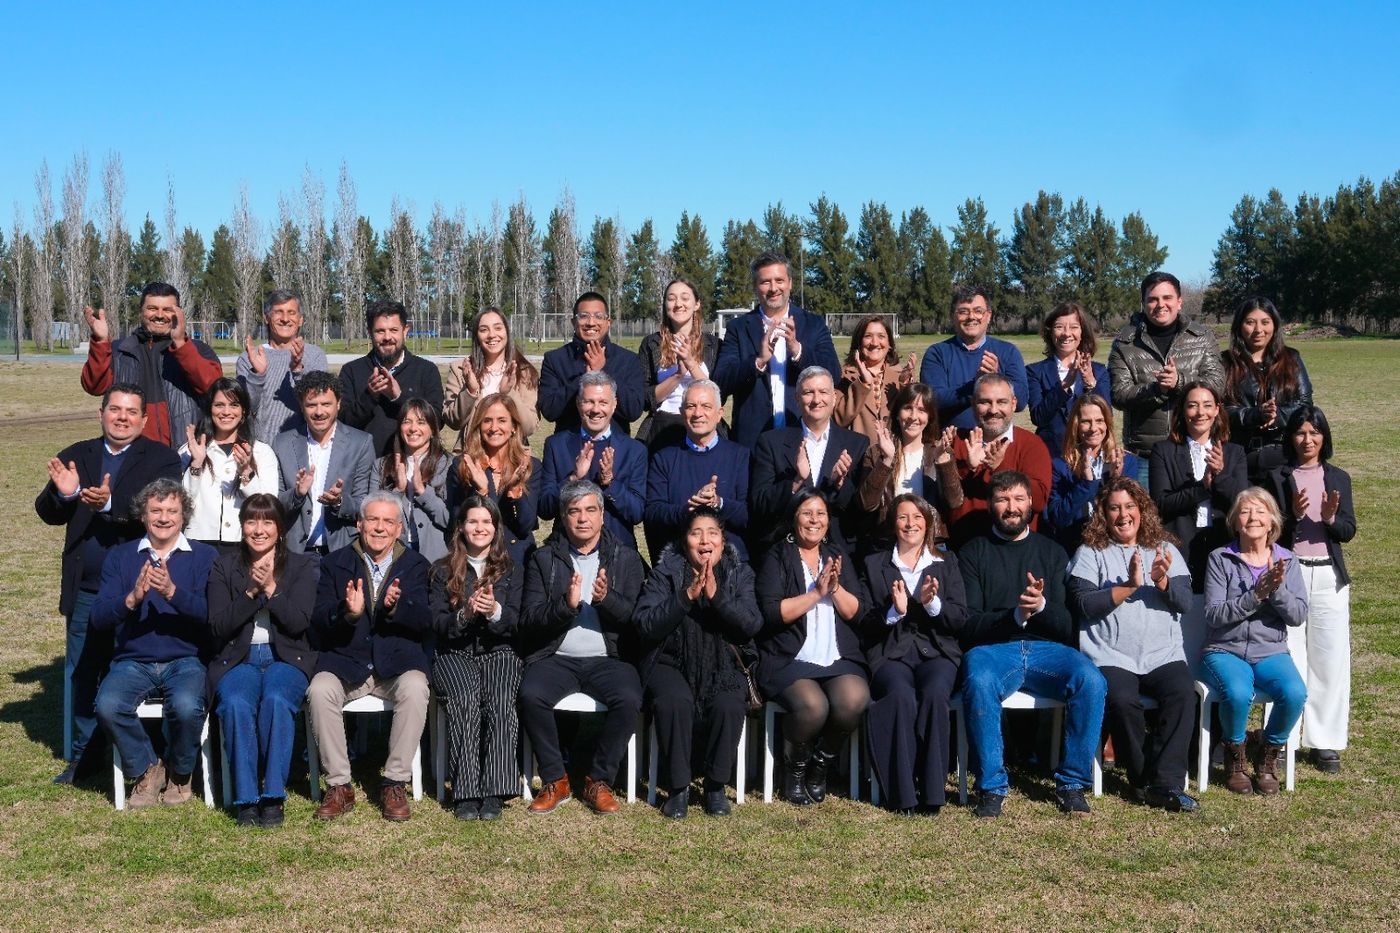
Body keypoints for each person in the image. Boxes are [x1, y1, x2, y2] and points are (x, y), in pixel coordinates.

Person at [36, 384, 182, 785]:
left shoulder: (162, 459)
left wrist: (110, 504)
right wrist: (65, 496)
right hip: (86, 585)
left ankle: (150, 755)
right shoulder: (77, 455)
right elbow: (46, 511)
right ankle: (85, 756)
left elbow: (161, 513)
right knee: (84, 670)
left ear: (144, 420)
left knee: (142, 668)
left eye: (131, 412)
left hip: (142, 585)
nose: (122, 418)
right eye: (115, 409)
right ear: (101, 413)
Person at [958, 470, 1106, 818]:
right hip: (994, 650)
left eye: (1018, 499)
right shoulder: (973, 552)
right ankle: (991, 787)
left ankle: (1072, 784)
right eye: (1003, 499)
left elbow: (1067, 627)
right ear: (991, 505)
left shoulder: (1052, 552)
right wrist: (1014, 616)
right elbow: (969, 626)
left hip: (1048, 651)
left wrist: (1039, 607)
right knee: (978, 680)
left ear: (1031, 504)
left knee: (1092, 680)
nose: (1011, 507)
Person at [1067, 479, 1198, 812]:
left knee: (1182, 694)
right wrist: (1129, 586)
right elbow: (1083, 605)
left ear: (1142, 510)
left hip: (1163, 654)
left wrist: (1162, 581)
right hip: (1110, 655)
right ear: (1103, 514)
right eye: (1114, 508)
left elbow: (1184, 602)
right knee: (1122, 701)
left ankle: (1166, 783)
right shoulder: (1090, 552)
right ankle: (1144, 780)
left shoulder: (1165, 549)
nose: (1123, 515)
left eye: (1129, 506)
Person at [517, 480, 646, 815]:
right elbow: (529, 620)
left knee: (629, 698)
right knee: (531, 694)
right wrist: (565, 605)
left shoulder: (626, 559)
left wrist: (607, 600)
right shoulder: (543, 559)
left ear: (602, 515)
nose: (583, 518)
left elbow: (636, 621)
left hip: (609, 659)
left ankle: (598, 780)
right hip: (556, 657)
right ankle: (555, 779)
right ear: (563, 517)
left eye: (590, 510)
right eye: (574, 511)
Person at [91, 478, 217, 808]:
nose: (164, 518)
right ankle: (148, 768)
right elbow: (99, 617)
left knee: (186, 707)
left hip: (187, 658)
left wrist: (173, 593)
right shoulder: (121, 556)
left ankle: (181, 772)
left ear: (183, 515)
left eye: (172, 511)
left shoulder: (204, 556)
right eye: (156, 510)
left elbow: (213, 616)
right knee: (108, 705)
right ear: (143, 515)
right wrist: (131, 599)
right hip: (133, 660)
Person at [308, 491, 433, 821]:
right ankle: (339, 786)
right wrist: (347, 613)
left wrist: (396, 608)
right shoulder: (334, 563)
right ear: (359, 524)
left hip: (396, 664)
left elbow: (425, 620)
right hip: (347, 661)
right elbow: (319, 620)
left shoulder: (416, 565)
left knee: (416, 687)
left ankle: (394, 782)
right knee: (320, 690)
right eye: (373, 520)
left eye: (388, 522)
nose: (380, 528)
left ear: (399, 528)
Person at [633, 508, 763, 818]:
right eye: (696, 533)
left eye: (712, 533)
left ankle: (715, 785)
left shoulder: (740, 573)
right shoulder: (665, 573)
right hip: (670, 660)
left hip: (725, 660)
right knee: (674, 701)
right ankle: (678, 787)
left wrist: (718, 597)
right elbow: (645, 624)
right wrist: (685, 597)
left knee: (729, 704)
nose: (705, 541)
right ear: (685, 541)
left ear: (723, 541)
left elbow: (751, 624)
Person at [206, 495, 318, 827]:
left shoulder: (300, 566)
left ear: (280, 529)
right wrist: (251, 594)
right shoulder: (224, 566)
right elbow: (218, 626)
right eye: (251, 521)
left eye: (268, 522)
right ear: (242, 527)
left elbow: (299, 623)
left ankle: (273, 795)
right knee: (236, 703)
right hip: (238, 659)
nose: (259, 529)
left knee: (276, 699)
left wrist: (271, 588)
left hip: (286, 657)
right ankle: (247, 799)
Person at [754, 491, 870, 806]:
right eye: (807, 513)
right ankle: (793, 770)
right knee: (813, 706)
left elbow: (857, 612)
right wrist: (816, 594)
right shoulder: (777, 555)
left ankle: (821, 765)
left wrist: (835, 588)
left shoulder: (837, 554)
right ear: (794, 517)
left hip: (836, 654)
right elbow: (772, 613)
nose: (814, 520)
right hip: (789, 657)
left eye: (820, 513)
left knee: (853, 699)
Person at [861, 494, 967, 814]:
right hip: (891, 653)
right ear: (893, 524)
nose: (911, 524)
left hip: (937, 653)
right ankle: (902, 793)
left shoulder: (946, 562)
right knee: (900, 696)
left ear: (928, 523)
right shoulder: (874, 564)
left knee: (935, 694)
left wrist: (933, 605)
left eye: (918, 517)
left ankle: (933, 793)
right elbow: (864, 621)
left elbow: (960, 618)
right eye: (903, 517)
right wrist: (894, 612)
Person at [1202, 488, 1308, 795]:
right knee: (1237, 693)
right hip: (1225, 649)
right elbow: (1213, 615)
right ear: (1235, 521)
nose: (1253, 518)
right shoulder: (1220, 558)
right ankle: (1235, 758)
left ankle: (1268, 754)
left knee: (1295, 692)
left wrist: (1276, 590)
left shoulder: (1288, 560)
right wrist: (1256, 595)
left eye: (1261, 511)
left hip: (1270, 651)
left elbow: (1298, 615)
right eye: (1245, 511)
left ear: (1272, 521)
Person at [1268, 406, 1355, 773]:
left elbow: (1348, 530)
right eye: (1301, 432)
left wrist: (1330, 518)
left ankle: (1325, 742)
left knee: (1330, 658)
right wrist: (1294, 516)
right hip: (1291, 573)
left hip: (1328, 577)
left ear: (1324, 436)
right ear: (1291, 437)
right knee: (1288, 656)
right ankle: (1282, 738)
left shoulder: (1338, 477)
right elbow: (1270, 532)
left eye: (1314, 432)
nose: (1308, 440)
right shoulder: (1277, 477)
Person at [429, 496, 524, 821]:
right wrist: (464, 615)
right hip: (454, 652)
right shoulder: (441, 570)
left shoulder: (512, 570)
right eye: (473, 521)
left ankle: (494, 790)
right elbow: (437, 623)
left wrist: (495, 611)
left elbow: (519, 622)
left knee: (500, 699)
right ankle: (467, 792)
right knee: (465, 700)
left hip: (499, 651)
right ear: (461, 527)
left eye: (486, 522)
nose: (480, 528)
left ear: (496, 528)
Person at [713, 252, 840, 447]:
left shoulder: (814, 324)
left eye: (779, 280)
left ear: (790, 283)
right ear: (755, 286)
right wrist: (758, 361)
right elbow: (720, 382)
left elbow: (834, 375)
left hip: (804, 439)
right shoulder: (738, 328)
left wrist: (798, 351)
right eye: (765, 282)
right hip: (753, 443)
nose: (773, 288)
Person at [1109, 271, 1225, 479]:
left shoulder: (1202, 337)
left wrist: (1179, 382)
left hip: (1196, 449)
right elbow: (1118, 394)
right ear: (1143, 304)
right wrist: (1157, 390)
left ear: (1179, 302)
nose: (1160, 304)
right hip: (1145, 455)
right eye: (1153, 299)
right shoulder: (1125, 342)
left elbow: (1217, 384)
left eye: (1167, 298)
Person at [80, 283, 223, 447]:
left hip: (185, 452)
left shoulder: (197, 350)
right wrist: (100, 342)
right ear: (141, 311)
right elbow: (93, 386)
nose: (160, 315)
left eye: (167, 309)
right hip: (130, 452)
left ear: (178, 313)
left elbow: (214, 389)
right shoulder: (119, 350)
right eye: (152, 308)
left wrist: (181, 344)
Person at [749, 366, 869, 557]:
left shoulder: (856, 444)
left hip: (838, 551)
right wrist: (796, 481)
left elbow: (860, 510)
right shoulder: (771, 442)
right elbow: (760, 503)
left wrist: (839, 483)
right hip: (785, 550)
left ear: (834, 398)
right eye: (808, 392)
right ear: (797, 398)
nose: (816, 399)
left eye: (823, 392)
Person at [1148, 382, 1248, 587]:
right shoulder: (1163, 451)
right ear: (1183, 410)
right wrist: (1202, 488)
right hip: (1179, 547)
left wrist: (1220, 477)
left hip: (1223, 545)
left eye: (1207, 405)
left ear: (1217, 410)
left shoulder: (1234, 452)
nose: (1201, 412)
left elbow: (1242, 503)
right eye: (1192, 405)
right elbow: (1161, 503)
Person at [643, 380, 750, 560]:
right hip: (679, 560)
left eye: (706, 406)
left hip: (730, 562)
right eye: (691, 406)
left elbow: (748, 516)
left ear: (719, 413)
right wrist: (687, 510)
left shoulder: (740, 456)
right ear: (681, 412)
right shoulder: (663, 458)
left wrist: (718, 503)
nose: (698, 413)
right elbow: (652, 513)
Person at [539, 372, 646, 550]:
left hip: (617, 552)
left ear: (614, 405)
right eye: (589, 402)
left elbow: (636, 513)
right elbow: (545, 509)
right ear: (578, 403)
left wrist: (610, 483)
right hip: (567, 551)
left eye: (603, 402)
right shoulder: (556, 445)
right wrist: (572, 479)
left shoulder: (634, 450)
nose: (596, 410)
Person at [272, 371, 376, 555]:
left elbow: (366, 504)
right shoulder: (282, 443)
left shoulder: (361, 443)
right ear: (301, 407)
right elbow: (274, 503)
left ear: (338, 404)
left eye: (326, 404)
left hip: (342, 551)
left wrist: (339, 502)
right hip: (295, 553)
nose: (319, 412)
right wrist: (297, 494)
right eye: (311, 405)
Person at [947, 373, 1052, 549]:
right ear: (973, 404)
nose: (993, 410)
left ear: (1014, 403)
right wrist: (967, 467)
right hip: (964, 547)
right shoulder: (957, 441)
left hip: (1015, 549)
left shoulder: (1031, 444)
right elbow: (946, 500)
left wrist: (1000, 469)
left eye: (1001, 402)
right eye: (985, 402)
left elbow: (1039, 501)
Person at [857, 383, 962, 557]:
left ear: (929, 416)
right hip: (887, 544)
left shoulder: (940, 452)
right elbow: (866, 504)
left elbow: (954, 502)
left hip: (931, 544)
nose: (914, 417)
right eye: (908, 408)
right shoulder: (876, 453)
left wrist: (942, 462)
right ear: (897, 414)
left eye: (921, 410)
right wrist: (887, 461)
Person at [179, 378, 279, 553]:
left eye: (234, 405)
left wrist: (247, 473)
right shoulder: (190, 449)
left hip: (243, 544)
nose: (226, 412)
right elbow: (181, 503)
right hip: (199, 543)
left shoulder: (262, 452)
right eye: (219, 405)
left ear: (243, 411)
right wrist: (196, 464)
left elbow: (268, 506)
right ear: (210, 409)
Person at [338, 299, 445, 457]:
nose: (387, 337)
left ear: (405, 331)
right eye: (380, 331)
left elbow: (437, 421)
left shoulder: (426, 370)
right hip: (364, 464)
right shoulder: (351, 371)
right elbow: (342, 424)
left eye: (394, 330)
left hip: (413, 463)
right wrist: (369, 396)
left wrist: (399, 397)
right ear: (370, 332)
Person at [1222, 297, 1314, 483]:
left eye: (1265, 322)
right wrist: (1254, 415)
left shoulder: (1291, 358)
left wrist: (1276, 416)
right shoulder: (1225, 362)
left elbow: (1305, 404)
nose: (1258, 330)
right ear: (1239, 326)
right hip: (1240, 456)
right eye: (1250, 322)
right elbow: (1219, 409)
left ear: (1275, 325)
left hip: (1284, 453)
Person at [919, 284, 1028, 431]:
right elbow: (933, 400)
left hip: (996, 442)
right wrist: (976, 385)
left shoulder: (1008, 352)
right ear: (952, 316)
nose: (971, 317)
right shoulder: (937, 353)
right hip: (951, 441)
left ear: (988, 316)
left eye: (978, 311)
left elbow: (1021, 401)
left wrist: (996, 379)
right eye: (963, 311)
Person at [446, 393, 540, 565]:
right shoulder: (463, 465)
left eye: (502, 420)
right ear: (479, 426)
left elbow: (526, 525)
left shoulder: (530, 466)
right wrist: (481, 491)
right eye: (487, 420)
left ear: (513, 426)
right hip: (476, 558)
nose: (494, 427)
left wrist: (514, 490)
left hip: (517, 560)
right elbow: (457, 521)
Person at [537, 291, 646, 436]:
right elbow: (549, 411)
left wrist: (604, 370)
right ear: (573, 322)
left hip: (615, 445)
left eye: (598, 316)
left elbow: (633, 411)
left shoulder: (628, 360)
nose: (591, 323)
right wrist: (583, 379)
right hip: (569, 445)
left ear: (608, 322)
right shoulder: (555, 359)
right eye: (584, 316)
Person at [1043, 394, 1140, 553]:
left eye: (1099, 421)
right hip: (1075, 548)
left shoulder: (1125, 462)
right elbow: (1058, 518)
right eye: (1086, 422)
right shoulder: (1060, 466)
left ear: (1107, 424)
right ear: (1076, 425)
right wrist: (1085, 484)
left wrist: (1116, 480)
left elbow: (1131, 515)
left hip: (1115, 548)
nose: (1094, 428)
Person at [236, 288, 330, 446]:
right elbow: (245, 409)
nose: (285, 319)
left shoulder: (315, 355)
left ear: (300, 320)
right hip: (260, 449)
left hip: (302, 447)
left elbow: (318, 405)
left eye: (291, 313)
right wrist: (258, 374)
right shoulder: (249, 358)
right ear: (267, 318)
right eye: (278, 312)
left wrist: (298, 369)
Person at [635, 278, 721, 452]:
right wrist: (678, 375)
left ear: (696, 304)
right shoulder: (651, 344)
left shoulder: (714, 345)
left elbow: (719, 395)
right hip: (663, 425)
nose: (678, 304)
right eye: (671, 298)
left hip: (702, 423)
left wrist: (690, 363)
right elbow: (645, 399)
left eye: (685, 298)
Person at [442, 305, 540, 445]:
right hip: (471, 452)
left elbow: (528, 428)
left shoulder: (524, 372)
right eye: (484, 330)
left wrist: (509, 393)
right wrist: (470, 391)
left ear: (507, 332)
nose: (492, 335)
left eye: (498, 328)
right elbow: (453, 422)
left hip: (513, 454)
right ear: (477, 336)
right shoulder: (460, 369)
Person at [1026, 301, 1111, 459]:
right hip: (1051, 456)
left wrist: (1090, 382)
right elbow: (1038, 417)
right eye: (1059, 327)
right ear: (1050, 332)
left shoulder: (1099, 371)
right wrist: (1064, 386)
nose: (1066, 333)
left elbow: (1107, 416)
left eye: (1074, 327)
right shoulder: (1035, 372)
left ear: (1082, 332)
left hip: (1090, 456)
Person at [376, 400, 452, 563]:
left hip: (435, 555)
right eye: (407, 422)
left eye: (421, 422)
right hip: (393, 554)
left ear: (433, 429)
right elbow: (374, 517)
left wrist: (423, 493)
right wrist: (398, 490)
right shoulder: (381, 465)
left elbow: (450, 520)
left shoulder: (448, 465)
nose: (413, 428)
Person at [834, 314, 916, 448]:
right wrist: (862, 383)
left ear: (890, 344)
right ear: (858, 343)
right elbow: (839, 419)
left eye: (881, 336)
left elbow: (913, 419)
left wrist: (906, 386)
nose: (874, 343)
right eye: (868, 336)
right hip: (857, 455)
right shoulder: (844, 377)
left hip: (896, 454)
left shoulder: (900, 377)